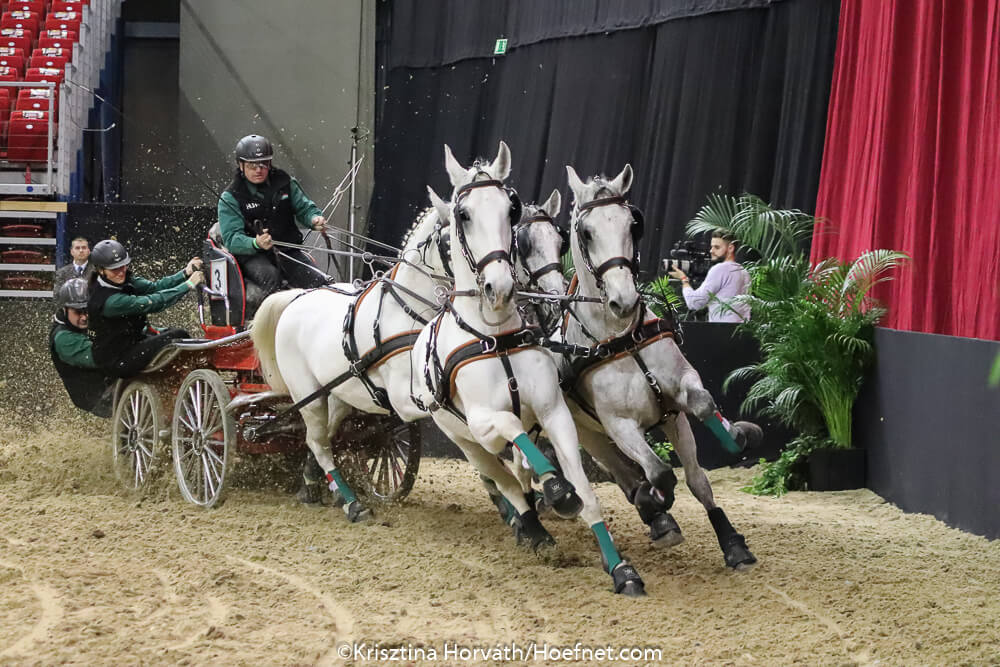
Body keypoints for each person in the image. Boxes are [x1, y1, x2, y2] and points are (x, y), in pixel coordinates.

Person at [217, 134, 330, 303]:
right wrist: (255, 243)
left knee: (319, 282)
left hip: (288, 251)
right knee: (272, 279)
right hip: (253, 255)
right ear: (240, 165)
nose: (258, 170)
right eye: (252, 165)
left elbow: (304, 208)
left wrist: (314, 219)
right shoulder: (230, 197)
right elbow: (232, 239)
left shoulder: (285, 182)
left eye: (263, 164)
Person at [87, 239, 204, 378]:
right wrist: (188, 285)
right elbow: (153, 302)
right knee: (178, 335)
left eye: (123, 266)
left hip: (132, 342)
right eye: (114, 269)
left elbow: (155, 288)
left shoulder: (124, 278)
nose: (121, 272)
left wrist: (185, 272)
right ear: (101, 270)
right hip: (116, 360)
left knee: (175, 333)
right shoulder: (111, 302)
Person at [49, 278, 114, 417]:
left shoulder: (91, 318)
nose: (84, 317)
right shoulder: (63, 338)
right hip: (98, 399)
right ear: (65, 309)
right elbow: (101, 358)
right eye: (78, 312)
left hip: (111, 384)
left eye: (87, 310)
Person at [668, 231, 751, 323]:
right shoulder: (744, 271)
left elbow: (694, 303)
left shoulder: (720, 269)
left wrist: (684, 279)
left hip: (721, 329)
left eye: (717, 247)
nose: (711, 251)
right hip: (741, 329)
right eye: (712, 247)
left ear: (730, 248)